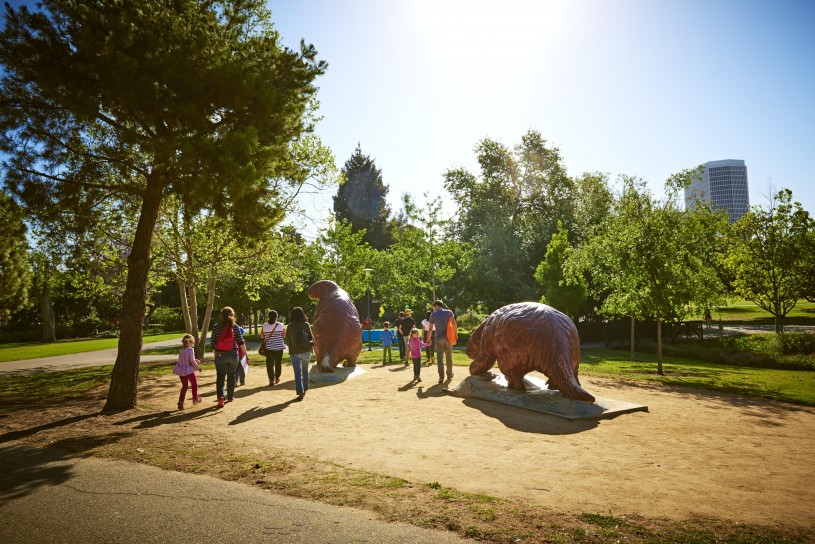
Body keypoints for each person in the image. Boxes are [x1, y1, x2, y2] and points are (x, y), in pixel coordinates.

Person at [210, 306, 247, 408]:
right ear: (232, 315)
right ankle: (230, 397)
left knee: (220, 377)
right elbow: (240, 342)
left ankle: (221, 397)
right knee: (231, 375)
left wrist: (216, 353)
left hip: (220, 354)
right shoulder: (235, 327)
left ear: (221, 315)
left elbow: (213, 342)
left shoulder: (216, 326)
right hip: (233, 354)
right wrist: (246, 355)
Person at [285, 306, 313, 400]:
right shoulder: (306, 324)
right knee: (305, 371)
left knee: (297, 373)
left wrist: (292, 347)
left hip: (294, 352)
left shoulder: (290, 326)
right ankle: (305, 388)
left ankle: (300, 391)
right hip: (305, 350)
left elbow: (287, 340)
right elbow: (311, 337)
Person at [427, 300, 457, 384]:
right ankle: (449, 375)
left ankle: (441, 377)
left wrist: (428, 338)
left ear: (436, 306)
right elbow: (454, 323)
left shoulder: (433, 315)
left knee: (440, 357)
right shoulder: (449, 312)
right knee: (449, 357)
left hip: (438, 338)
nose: (434, 309)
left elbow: (430, 328)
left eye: (434, 307)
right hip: (448, 338)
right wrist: (456, 333)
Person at [173, 334, 201, 410]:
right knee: (194, 384)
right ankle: (195, 398)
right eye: (192, 342)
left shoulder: (181, 350)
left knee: (184, 386)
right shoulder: (190, 350)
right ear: (188, 342)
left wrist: (195, 360)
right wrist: (197, 367)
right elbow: (191, 361)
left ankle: (180, 401)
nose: (193, 344)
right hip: (189, 371)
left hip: (181, 371)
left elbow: (184, 361)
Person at [261, 310, 285, 387]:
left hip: (269, 348)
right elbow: (284, 335)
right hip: (279, 348)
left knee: (269, 364)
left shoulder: (264, 326)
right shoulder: (281, 325)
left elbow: (262, 336)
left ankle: (271, 380)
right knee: (278, 363)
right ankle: (277, 378)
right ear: (276, 317)